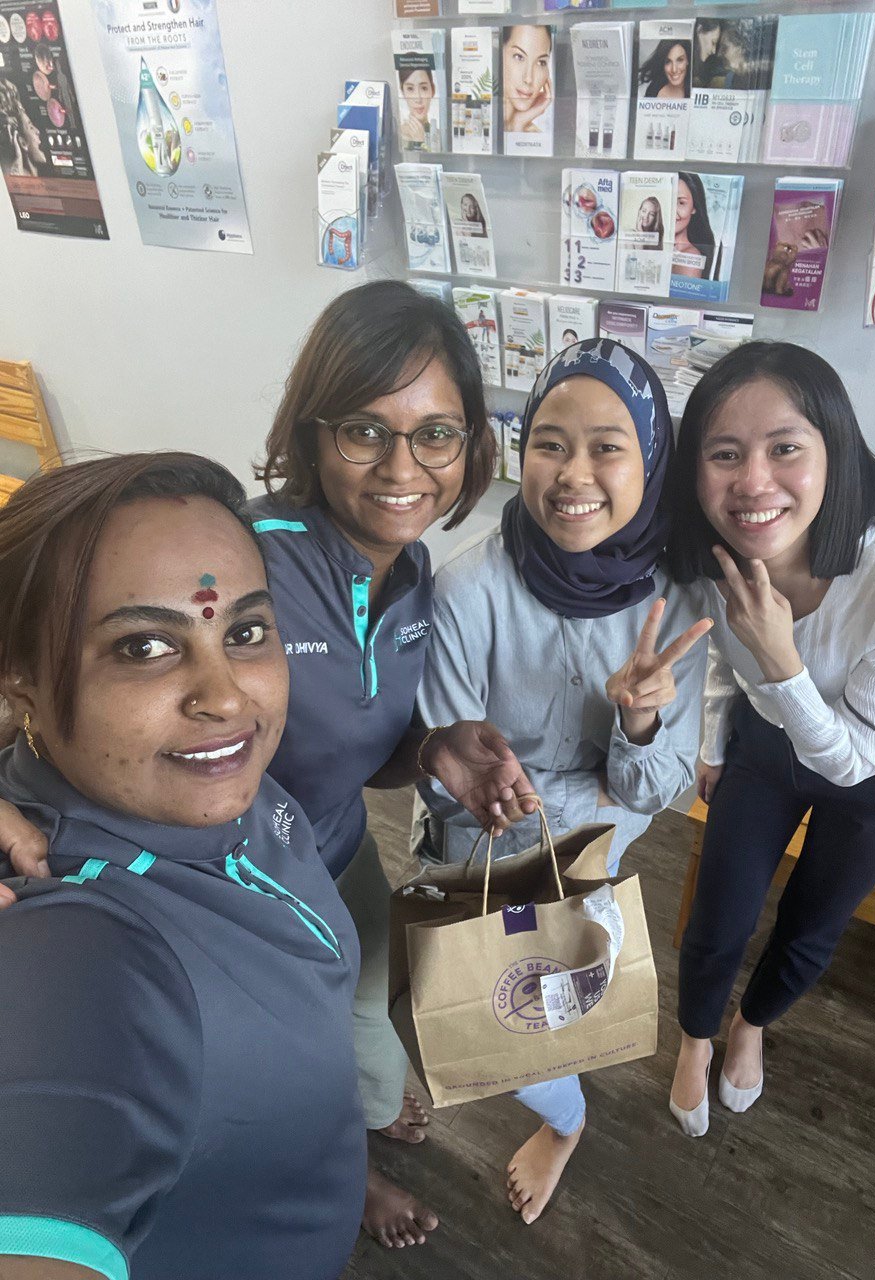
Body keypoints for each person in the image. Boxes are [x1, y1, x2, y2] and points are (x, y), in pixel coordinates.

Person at [0, 281, 537, 1251]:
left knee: (343, 999)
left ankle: (345, 1132)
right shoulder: (253, 555)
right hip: (217, 873)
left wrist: (429, 749)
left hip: (313, 846)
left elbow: (347, 740)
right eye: (364, 430)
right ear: (312, 433)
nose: (402, 468)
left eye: (435, 434)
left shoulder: (415, 576)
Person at [0, 453, 367, 1279]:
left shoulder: (220, 787)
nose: (226, 696)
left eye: (245, 632)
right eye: (145, 646)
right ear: (20, 680)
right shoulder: (71, 945)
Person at [416, 338, 713, 1223]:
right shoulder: (468, 588)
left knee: (559, 1003)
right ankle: (563, 1115)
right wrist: (511, 786)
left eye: (607, 447)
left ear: (650, 463)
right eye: (549, 442)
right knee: (477, 1014)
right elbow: (443, 776)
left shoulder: (675, 606)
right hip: (483, 851)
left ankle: (565, 1119)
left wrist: (640, 723)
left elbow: (654, 791)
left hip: (595, 857)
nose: (573, 474)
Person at [664, 341, 875, 1137]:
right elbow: (719, 658)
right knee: (718, 914)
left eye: (785, 448)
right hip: (764, 747)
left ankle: (751, 1025)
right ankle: (694, 1037)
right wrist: (713, 746)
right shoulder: (714, 561)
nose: (753, 482)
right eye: (725, 454)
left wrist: (781, 657)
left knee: (810, 924)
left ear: (835, 454)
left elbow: (853, 760)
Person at [502, 24, 553, 136]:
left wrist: (518, 125)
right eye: (519, 57)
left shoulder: (538, 137)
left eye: (541, 62)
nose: (529, 79)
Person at [673, 172, 716, 281]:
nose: (672, 210)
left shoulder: (691, 256)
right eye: (667, 200)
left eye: (681, 203)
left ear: (694, 208)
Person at [399, 65, 436, 150]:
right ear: (403, 93)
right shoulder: (397, 136)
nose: (418, 99)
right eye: (410, 89)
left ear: (433, 90)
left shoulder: (441, 136)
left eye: (424, 88)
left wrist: (420, 141)